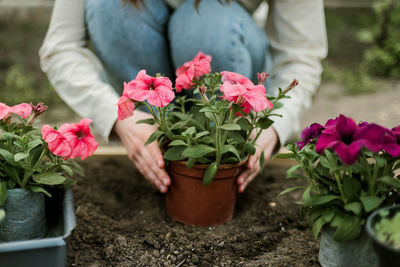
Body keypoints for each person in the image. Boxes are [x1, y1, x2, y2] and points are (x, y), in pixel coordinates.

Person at [39, 0, 327, 193]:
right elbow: (60, 47)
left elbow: (300, 55)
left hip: (226, 45)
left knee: (203, 20)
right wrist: (115, 116)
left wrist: (273, 129)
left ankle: (217, 171)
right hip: (150, 69)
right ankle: (161, 157)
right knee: (109, 8)